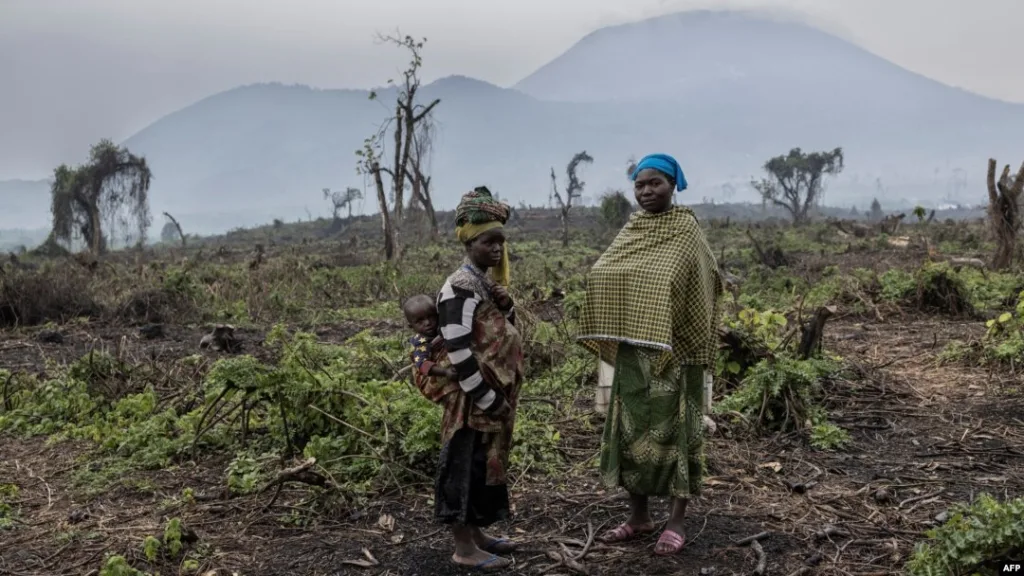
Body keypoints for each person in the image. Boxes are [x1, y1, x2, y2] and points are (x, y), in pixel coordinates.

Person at [577, 153, 722, 556]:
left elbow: (705, 282)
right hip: (633, 353)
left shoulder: (686, 230)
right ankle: (638, 516)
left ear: (674, 184)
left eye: (654, 183)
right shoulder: (632, 229)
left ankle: (676, 520)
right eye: (639, 185)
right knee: (631, 431)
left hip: (677, 353)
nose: (646, 192)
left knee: (678, 432)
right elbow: (603, 273)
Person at [435, 186, 524, 571]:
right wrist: (489, 398)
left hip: (486, 395)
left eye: (500, 242)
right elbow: (458, 351)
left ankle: (478, 535)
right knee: (464, 466)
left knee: (484, 463)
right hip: (470, 401)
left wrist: (507, 306)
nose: (497, 249)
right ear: (470, 242)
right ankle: (463, 549)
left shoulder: (482, 285)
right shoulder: (459, 287)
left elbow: (498, 330)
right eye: (488, 241)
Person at [403, 294, 459, 401]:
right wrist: (445, 372)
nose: (428, 323)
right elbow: (423, 364)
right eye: (420, 321)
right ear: (411, 326)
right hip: (439, 378)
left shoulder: (442, 328)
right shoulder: (420, 343)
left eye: (431, 316)